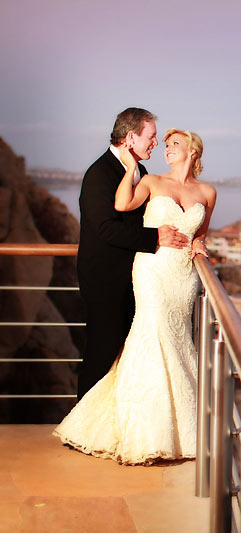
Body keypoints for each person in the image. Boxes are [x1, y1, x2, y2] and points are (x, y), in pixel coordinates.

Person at [54, 128, 216, 465]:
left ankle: (180, 430)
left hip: (184, 278)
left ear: (192, 150)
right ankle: (147, 432)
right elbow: (121, 205)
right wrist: (130, 169)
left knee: (178, 341)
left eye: (173, 143)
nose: (165, 148)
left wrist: (200, 244)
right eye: (162, 142)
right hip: (152, 272)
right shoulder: (151, 180)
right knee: (153, 337)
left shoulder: (208, 191)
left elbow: (201, 233)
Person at [74, 107, 188, 400]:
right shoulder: (99, 174)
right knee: (102, 351)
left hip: (134, 278)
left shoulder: (141, 171)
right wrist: (156, 237)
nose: (155, 143)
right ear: (130, 137)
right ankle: (80, 424)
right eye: (150, 137)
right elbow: (104, 229)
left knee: (127, 354)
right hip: (105, 279)